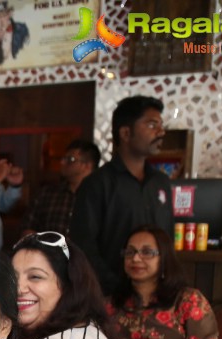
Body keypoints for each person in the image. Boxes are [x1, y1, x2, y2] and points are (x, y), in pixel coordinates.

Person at [71, 95, 173, 293]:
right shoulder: (97, 184)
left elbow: (167, 240)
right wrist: (117, 289)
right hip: (110, 297)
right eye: (152, 125)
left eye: (161, 125)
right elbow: (83, 248)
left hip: (155, 296)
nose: (161, 132)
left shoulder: (161, 183)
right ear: (126, 133)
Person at [106, 226, 219, 339]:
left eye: (147, 252)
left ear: (164, 258)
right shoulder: (111, 303)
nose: (136, 259)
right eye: (130, 252)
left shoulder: (188, 300)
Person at [20, 139, 101, 236]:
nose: (62, 162)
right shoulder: (47, 194)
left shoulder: (100, 196)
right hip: (46, 250)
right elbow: (26, 227)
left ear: (87, 166)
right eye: (63, 158)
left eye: (70, 159)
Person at [0, 0, 30, 66]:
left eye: (4, 15)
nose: (2, 20)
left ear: (9, 14)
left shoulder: (21, 29)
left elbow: (28, 52)